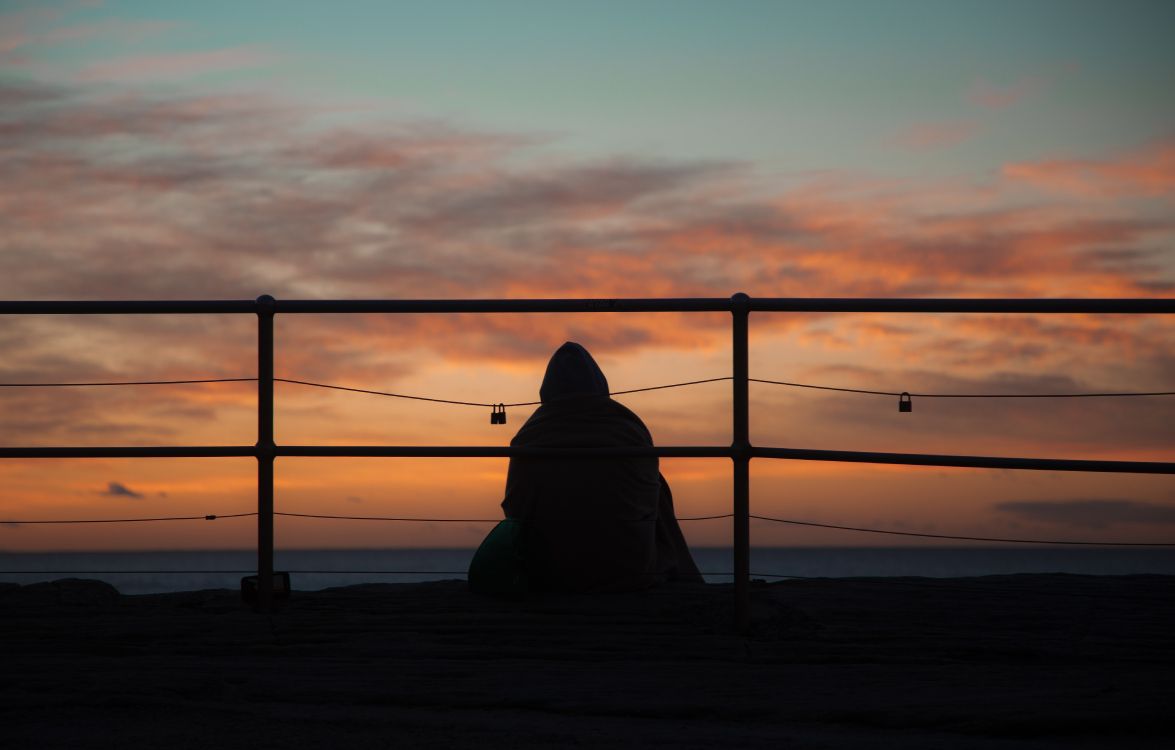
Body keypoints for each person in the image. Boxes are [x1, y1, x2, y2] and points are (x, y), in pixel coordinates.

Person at [469, 341, 701, 594]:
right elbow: (645, 499)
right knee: (656, 483)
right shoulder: (629, 429)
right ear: (601, 385)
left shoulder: (529, 437)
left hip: (546, 573)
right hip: (628, 571)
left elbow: (514, 508)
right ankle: (687, 575)